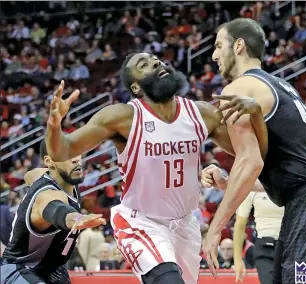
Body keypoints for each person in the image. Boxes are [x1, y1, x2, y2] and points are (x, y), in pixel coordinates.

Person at [44, 52, 267, 284]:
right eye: (144, 65)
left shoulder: (200, 113)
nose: (156, 63)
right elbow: (62, 151)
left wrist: (257, 114)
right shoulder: (123, 117)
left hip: (185, 224)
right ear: (136, 87)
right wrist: (53, 124)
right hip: (141, 222)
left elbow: (253, 155)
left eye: (156, 60)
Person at [202, 18, 306, 283]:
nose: (214, 55)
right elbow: (287, 167)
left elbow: (250, 162)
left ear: (238, 46)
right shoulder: (282, 85)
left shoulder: (239, 88)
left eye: (218, 45)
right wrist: (229, 183)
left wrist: (215, 228)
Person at [0, 140, 106, 284]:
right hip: (20, 268)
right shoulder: (48, 194)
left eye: (76, 151)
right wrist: (75, 218)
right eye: (66, 154)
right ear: (49, 161)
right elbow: (56, 209)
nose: (76, 158)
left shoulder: (63, 179)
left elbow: (29, 175)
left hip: (53, 269)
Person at [201, 163, 283, 284]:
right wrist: (238, 259)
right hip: (265, 247)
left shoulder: (290, 182)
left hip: (289, 244)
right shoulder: (252, 186)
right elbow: (240, 224)